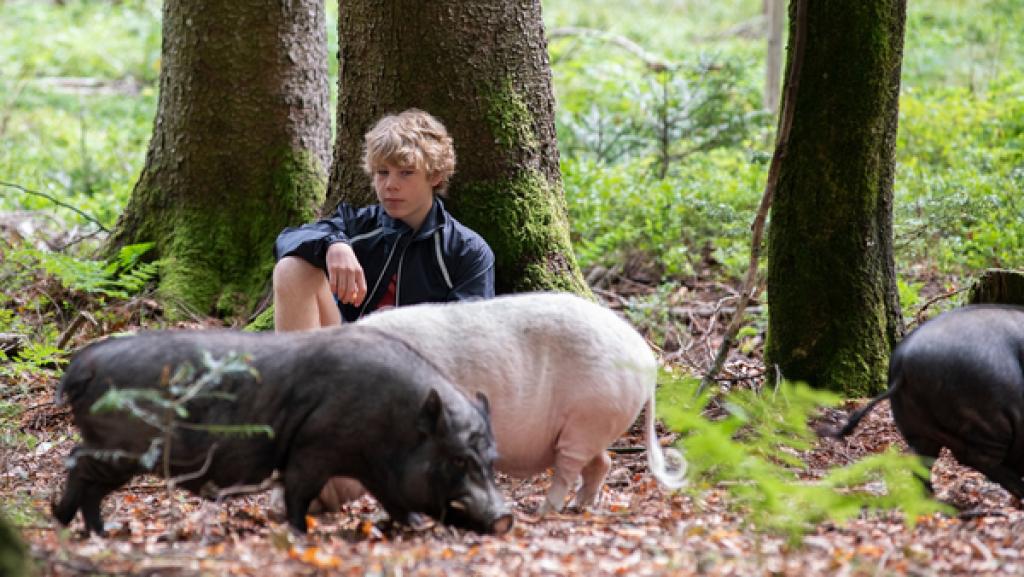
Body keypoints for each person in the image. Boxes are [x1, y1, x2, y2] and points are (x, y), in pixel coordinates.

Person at [272, 109, 495, 331]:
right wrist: (333, 244)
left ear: (435, 176)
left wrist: (404, 326)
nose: (390, 185)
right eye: (382, 172)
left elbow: (470, 335)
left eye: (406, 173)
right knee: (291, 268)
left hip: (419, 358)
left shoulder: (467, 251)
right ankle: (298, 366)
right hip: (346, 352)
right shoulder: (358, 225)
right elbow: (287, 240)